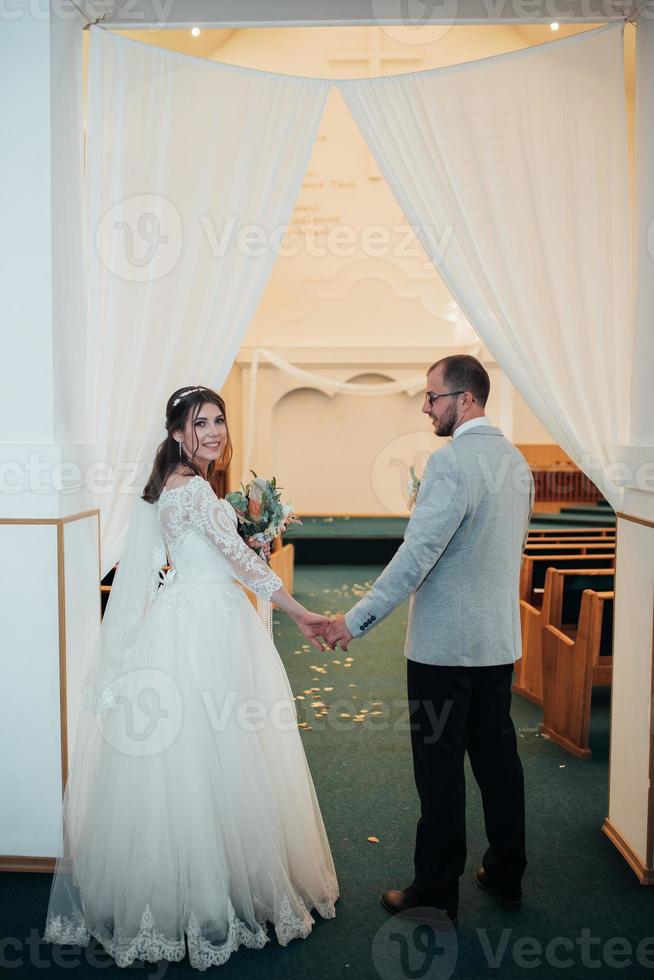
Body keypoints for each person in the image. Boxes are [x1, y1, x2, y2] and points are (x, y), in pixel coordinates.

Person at [44, 386, 338, 971]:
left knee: (188, 761)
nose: (214, 431)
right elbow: (243, 562)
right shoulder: (196, 489)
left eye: (219, 420)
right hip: (207, 623)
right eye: (200, 423)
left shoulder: (170, 488)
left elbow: (200, 554)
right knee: (221, 752)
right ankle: (215, 896)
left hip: (181, 617)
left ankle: (181, 890)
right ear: (178, 433)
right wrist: (302, 613)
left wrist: (242, 536)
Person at [325, 354, 534, 924]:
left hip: (444, 650)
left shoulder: (451, 464)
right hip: (496, 643)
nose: (426, 407)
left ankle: (437, 888)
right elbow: (510, 551)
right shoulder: (517, 463)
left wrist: (355, 619)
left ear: (465, 399)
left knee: (438, 770)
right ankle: (507, 872)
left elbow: (416, 557)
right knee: (498, 760)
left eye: (433, 396)